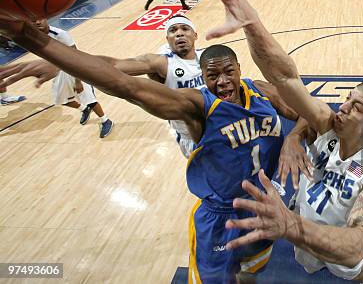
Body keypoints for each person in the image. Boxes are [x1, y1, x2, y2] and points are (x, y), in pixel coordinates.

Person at [0, 14, 309, 283]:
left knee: (250, 271)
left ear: (239, 68)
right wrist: (39, 45)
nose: (224, 82)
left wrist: (294, 138)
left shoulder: (260, 91)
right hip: (219, 217)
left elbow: (308, 112)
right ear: (203, 76)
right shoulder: (196, 102)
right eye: (213, 76)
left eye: (229, 72)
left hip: (264, 207)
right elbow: (123, 82)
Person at [198, 0, 363, 283]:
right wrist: (251, 22)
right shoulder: (325, 125)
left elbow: (353, 245)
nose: (344, 107)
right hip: (301, 223)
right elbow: (286, 77)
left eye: (356, 107)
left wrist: (290, 226)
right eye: (347, 99)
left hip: (328, 239)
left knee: (356, 271)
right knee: (307, 263)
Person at [31, 19, 113, 138]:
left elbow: (76, 57)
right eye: (34, 20)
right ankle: (84, 109)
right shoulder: (36, 37)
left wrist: (78, 80)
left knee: (89, 99)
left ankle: (105, 120)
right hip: (59, 70)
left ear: (46, 19)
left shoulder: (60, 34)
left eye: (40, 19)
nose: (37, 22)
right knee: (61, 100)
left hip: (76, 68)